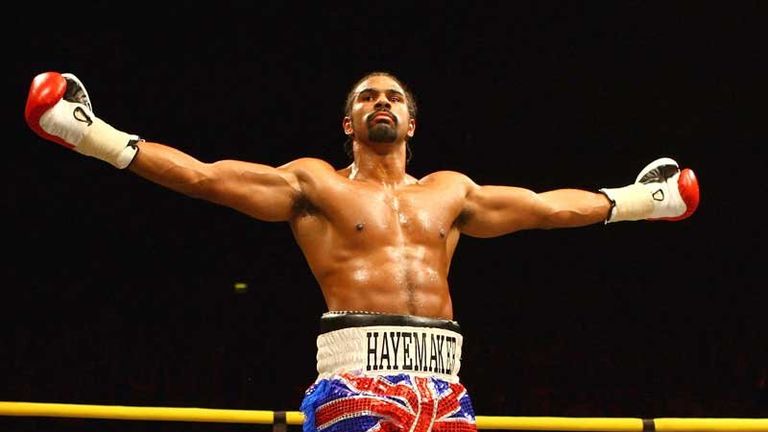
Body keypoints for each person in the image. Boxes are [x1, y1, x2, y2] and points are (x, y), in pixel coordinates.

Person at [24, 70, 699, 432]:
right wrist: (94, 137)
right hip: (355, 380)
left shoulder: (451, 191)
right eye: (368, 97)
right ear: (348, 122)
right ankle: (82, 127)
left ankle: (650, 196)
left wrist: (641, 200)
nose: (382, 102)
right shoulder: (314, 184)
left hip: (444, 387)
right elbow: (204, 177)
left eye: (394, 97)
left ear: (411, 122)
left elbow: (548, 208)